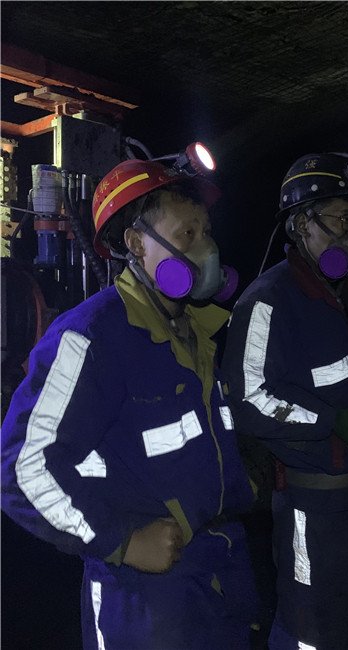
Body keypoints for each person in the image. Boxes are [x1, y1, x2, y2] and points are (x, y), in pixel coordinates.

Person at [1, 156, 259, 649]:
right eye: (187, 234)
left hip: (219, 571)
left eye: (206, 232)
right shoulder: (93, 336)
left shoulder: (196, 333)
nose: (206, 248)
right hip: (145, 597)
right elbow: (21, 469)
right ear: (137, 244)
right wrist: (122, 541)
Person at [221, 152, 348, 649]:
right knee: (311, 633)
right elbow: (249, 398)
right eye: (342, 220)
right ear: (301, 225)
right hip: (316, 507)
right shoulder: (267, 300)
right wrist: (333, 421)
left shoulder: (340, 297)